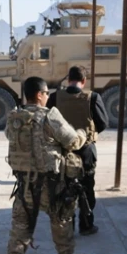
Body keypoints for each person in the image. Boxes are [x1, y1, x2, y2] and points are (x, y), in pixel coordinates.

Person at [6, 76, 88, 254]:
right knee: (61, 218)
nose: (48, 97)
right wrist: (83, 133)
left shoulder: (14, 117)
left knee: (21, 222)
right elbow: (73, 141)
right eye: (46, 94)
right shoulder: (50, 115)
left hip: (24, 182)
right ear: (40, 94)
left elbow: (10, 137)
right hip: (52, 183)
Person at [48, 65, 108, 236]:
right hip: (86, 150)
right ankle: (86, 225)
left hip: (62, 150)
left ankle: (67, 226)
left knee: (63, 187)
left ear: (68, 80)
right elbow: (103, 123)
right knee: (87, 186)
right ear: (84, 81)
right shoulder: (92, 97)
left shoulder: (55, 97)